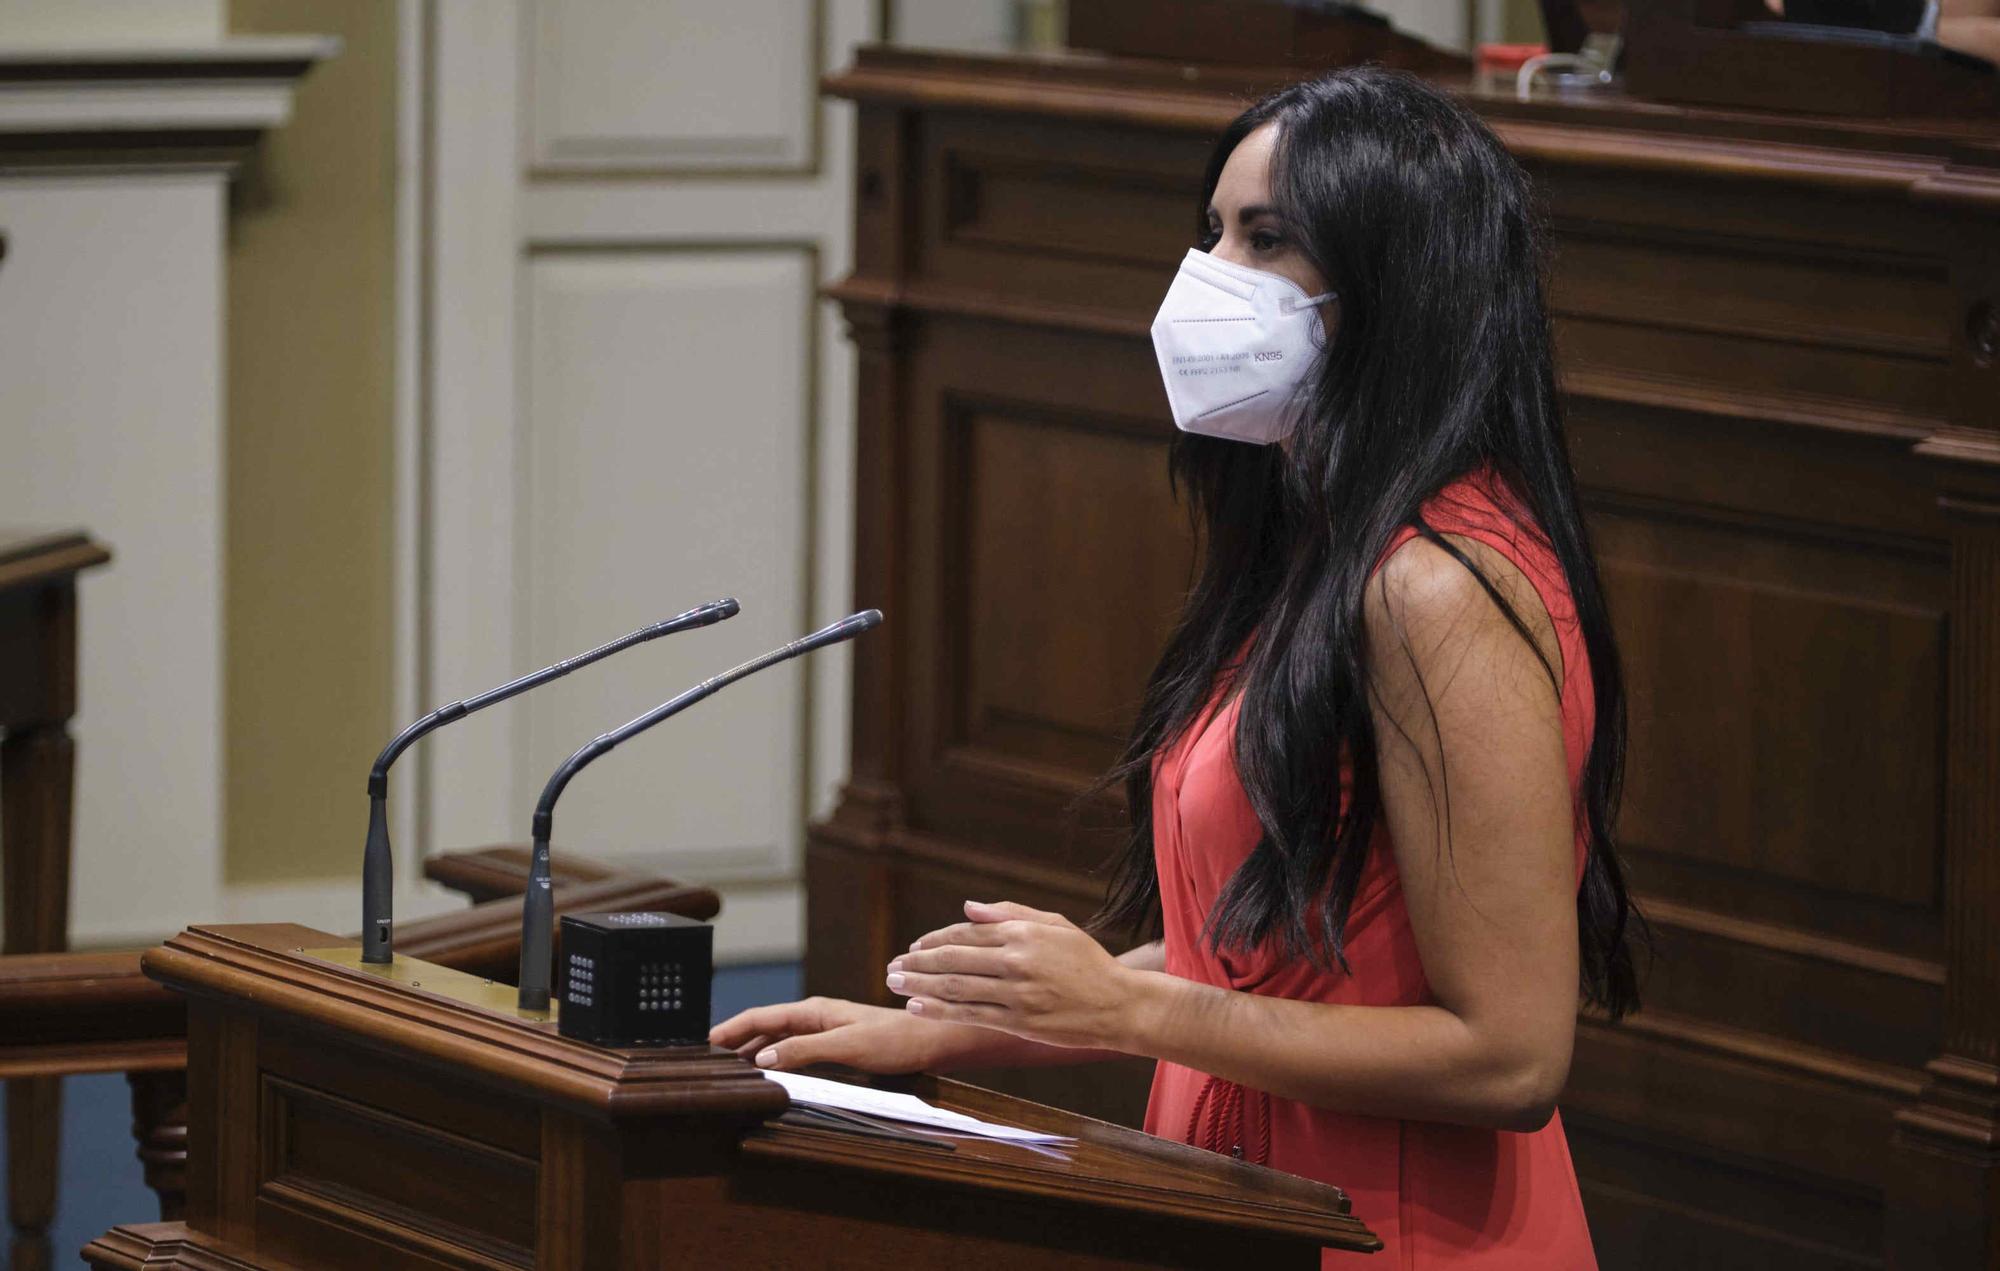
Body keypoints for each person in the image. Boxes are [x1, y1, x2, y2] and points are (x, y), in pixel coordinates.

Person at [712, 67, 1641, 1269]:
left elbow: (1510, 1055)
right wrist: (942, 1033)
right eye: (1210, 231)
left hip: (1391, 1232)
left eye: (1266, 239)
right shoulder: (1316, 543)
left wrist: (1121, 1004)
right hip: (1235, 1195)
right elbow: (1255, 961)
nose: (1208, 277)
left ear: (1395, 282)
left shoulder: (1440, 585)